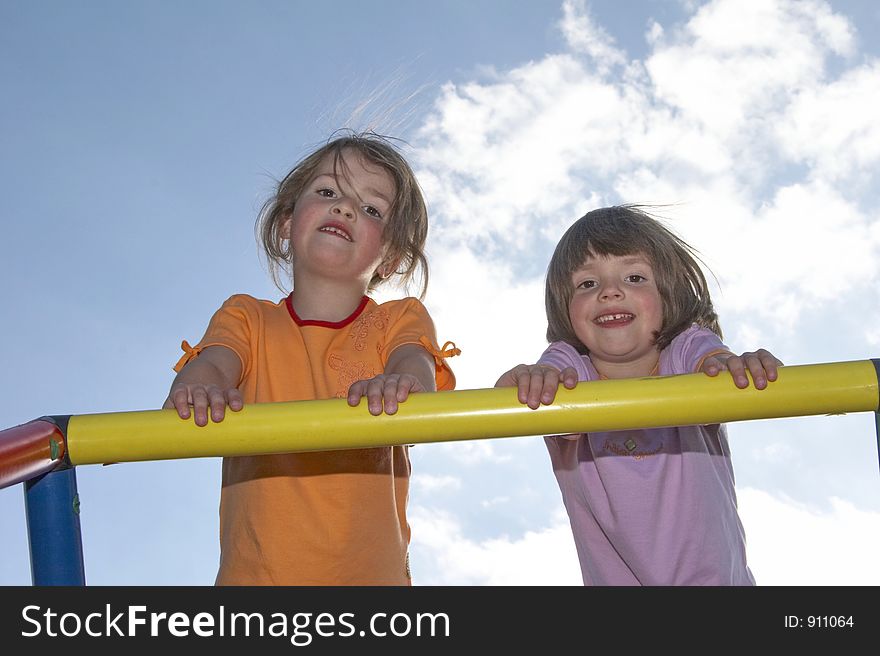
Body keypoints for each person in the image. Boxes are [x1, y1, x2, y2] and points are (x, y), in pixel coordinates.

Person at [163, 131, 457, 585]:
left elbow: (414, 368)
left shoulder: (399, 320)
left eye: (371, 208)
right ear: (286, 220)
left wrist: (401, 383)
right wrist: (198, 385)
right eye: (327, 192)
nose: (344, 208)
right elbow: (216, 364)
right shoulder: (247, 318)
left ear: (390, 259)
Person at [495, 205, 781, 586]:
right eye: (587, 284)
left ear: (668, 294)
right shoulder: (570, 369)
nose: (611, 292)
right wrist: (530, 379)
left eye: (634, 277)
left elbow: (713, 362)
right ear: (566, 309)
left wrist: (734, 367)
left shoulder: (684, 352)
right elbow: (516, 393)